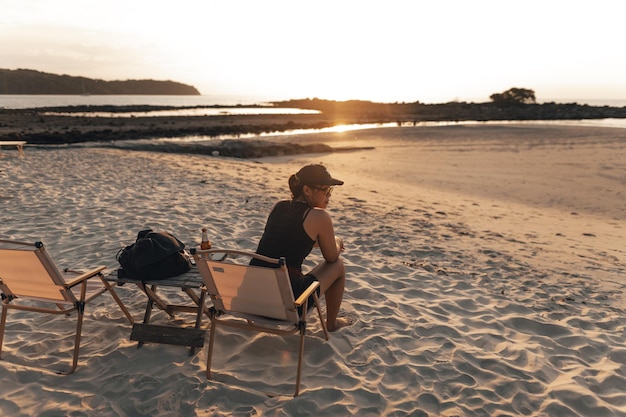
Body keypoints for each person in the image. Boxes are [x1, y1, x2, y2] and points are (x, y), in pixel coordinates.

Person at [251, 164, 351, 332]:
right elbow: (331, 257)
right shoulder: (319, 216)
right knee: (338, 265)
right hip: (286, 304)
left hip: (253, 298)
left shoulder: (279, 207)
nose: (328, 196)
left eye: (330, 191)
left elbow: (290, 240)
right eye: (325, 190)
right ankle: (332, 324)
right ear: (307, 190)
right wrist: (337, 240)